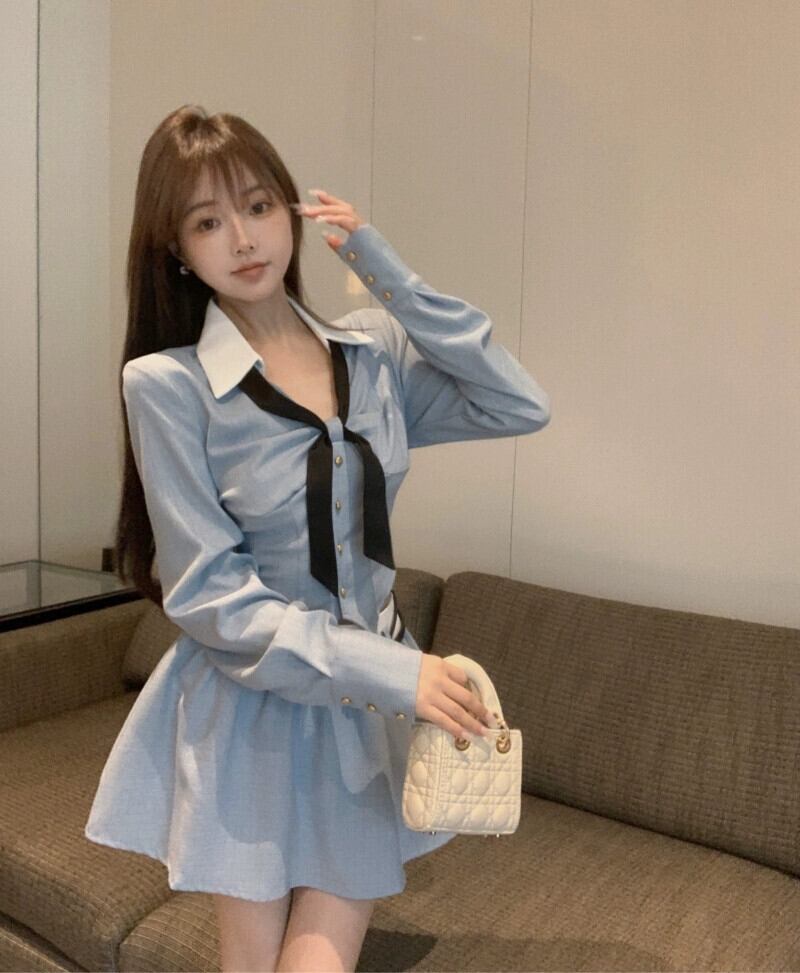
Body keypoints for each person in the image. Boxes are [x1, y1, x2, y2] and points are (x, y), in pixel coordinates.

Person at [83, 104, 551, 972]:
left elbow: (516, 401)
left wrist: (382, 269)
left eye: (259, 206)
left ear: (292, 210)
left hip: (362, 713)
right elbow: (211, 599)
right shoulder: (169, 385)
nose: (243, 238)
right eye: (207, 222)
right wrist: (398, 673)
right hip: (250, 706)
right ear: (176, 249)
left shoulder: (370, 353)